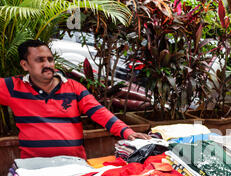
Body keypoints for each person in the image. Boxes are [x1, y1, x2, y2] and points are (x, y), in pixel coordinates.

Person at [0, 39, 150, 159]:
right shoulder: (12, 87)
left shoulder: (73, 87)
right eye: (40, 60)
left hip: (73, 163)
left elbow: (99, 112)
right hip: (34, 167)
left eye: (50, 59)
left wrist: (126, 131)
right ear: (25, 65)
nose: (47, 64)